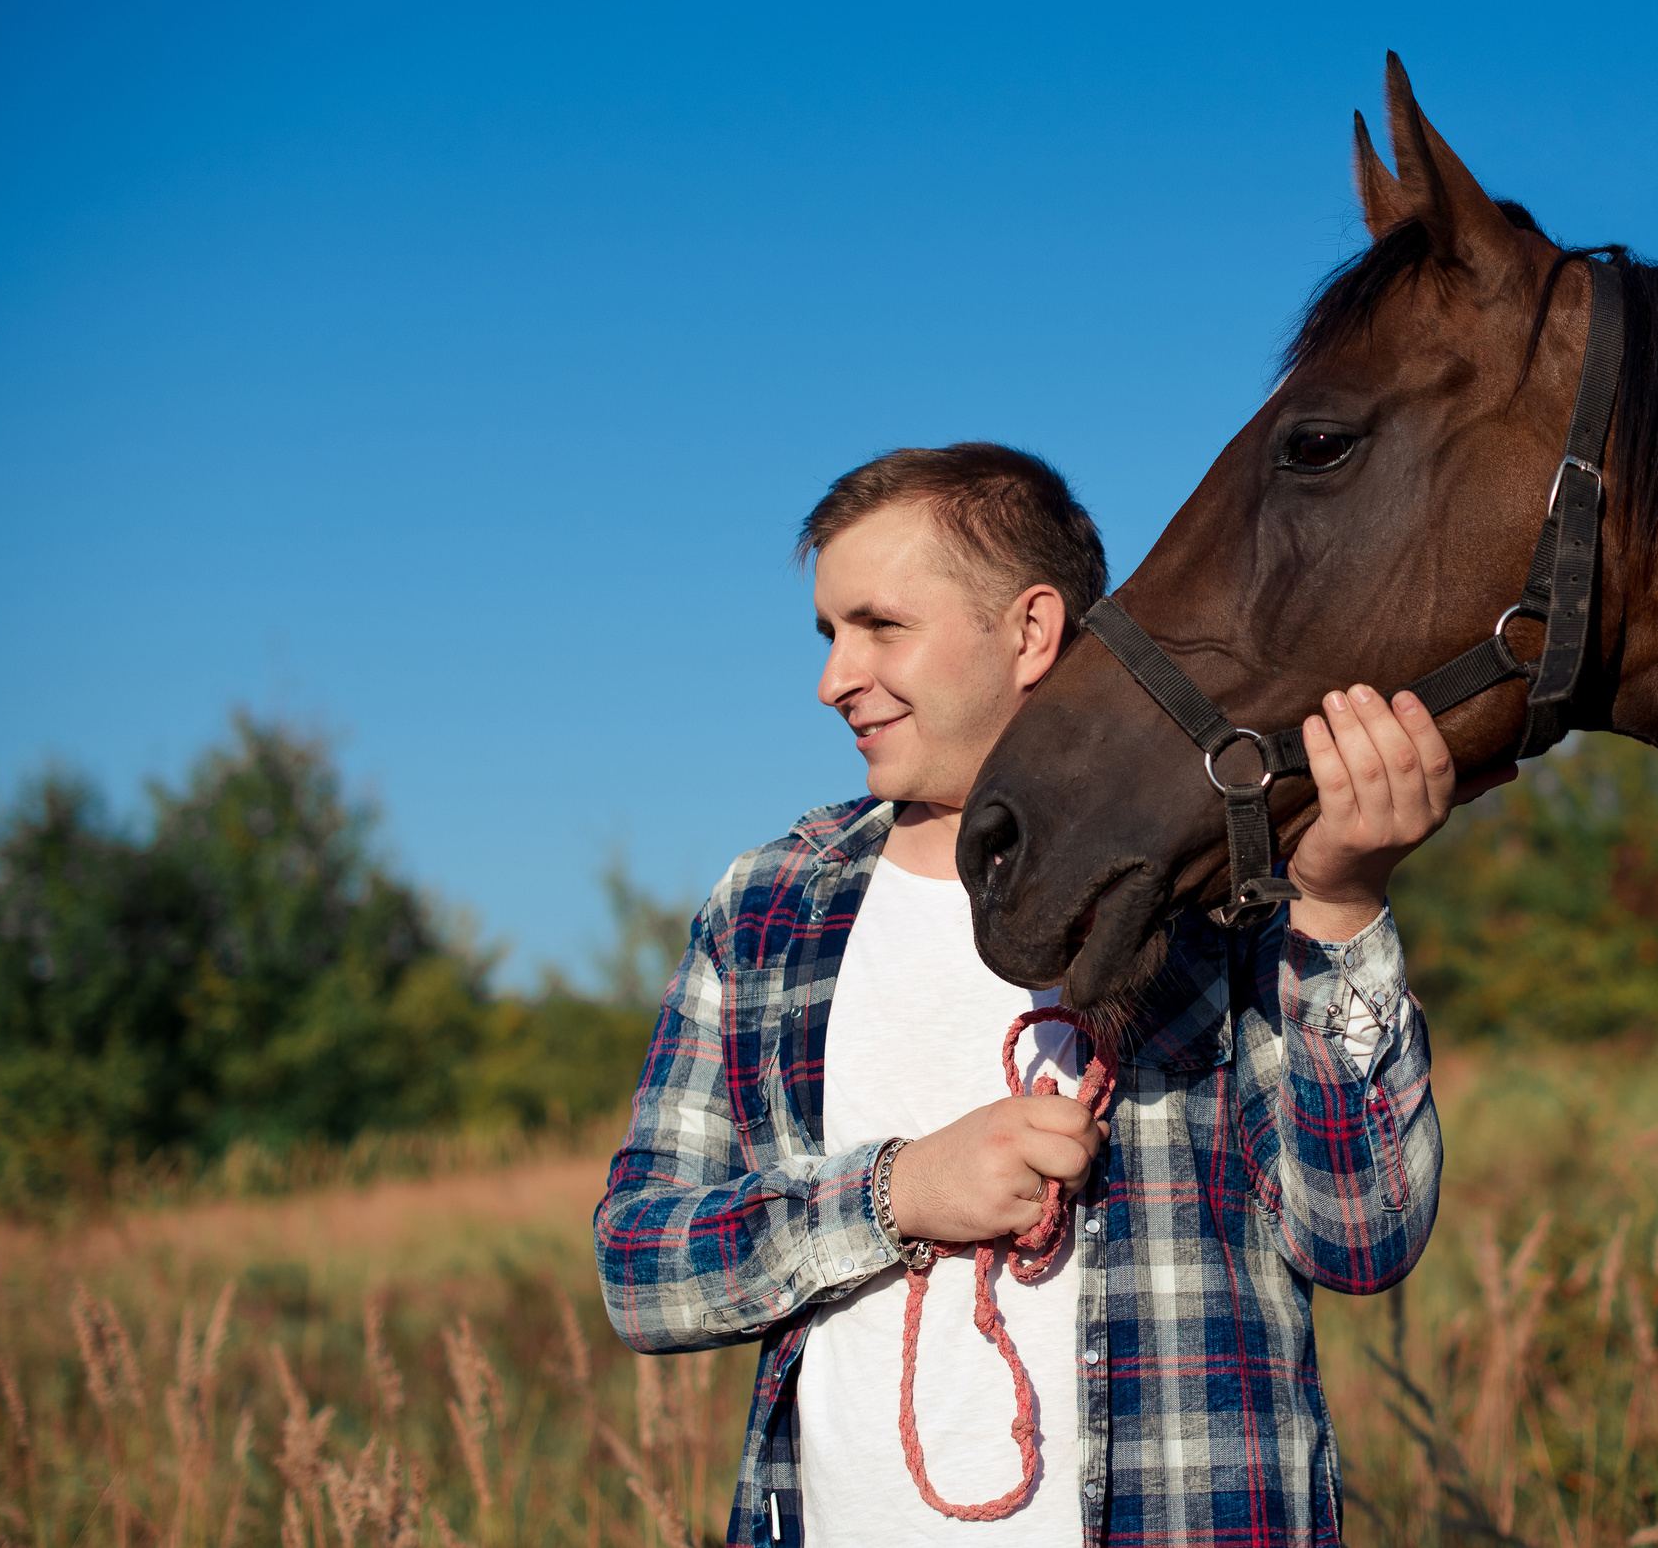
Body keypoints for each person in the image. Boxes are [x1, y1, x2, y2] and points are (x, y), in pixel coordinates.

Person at [596, 443, 1487, 1546]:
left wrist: (1343, 901)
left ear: (1028, 629)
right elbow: (640, 1269)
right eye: (830, 634)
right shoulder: (771, 904)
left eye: (881, 626)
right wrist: (897, 1193)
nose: (833, 678)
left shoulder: (1223, 887)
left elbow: (1363, 1238)